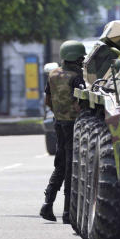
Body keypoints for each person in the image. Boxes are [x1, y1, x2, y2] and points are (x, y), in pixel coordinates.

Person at [40, 40, 86, 224]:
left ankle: (47, 203)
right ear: (74, 58)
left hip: (58, 123)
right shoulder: (76, 77)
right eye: (81, 58)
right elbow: (79, 103)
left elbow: (48, 101)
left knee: (60, 165)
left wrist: (60, 112)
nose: (82, 62)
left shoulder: (52, 74)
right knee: (71, 166)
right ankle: (67, 212)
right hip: (73, 125)